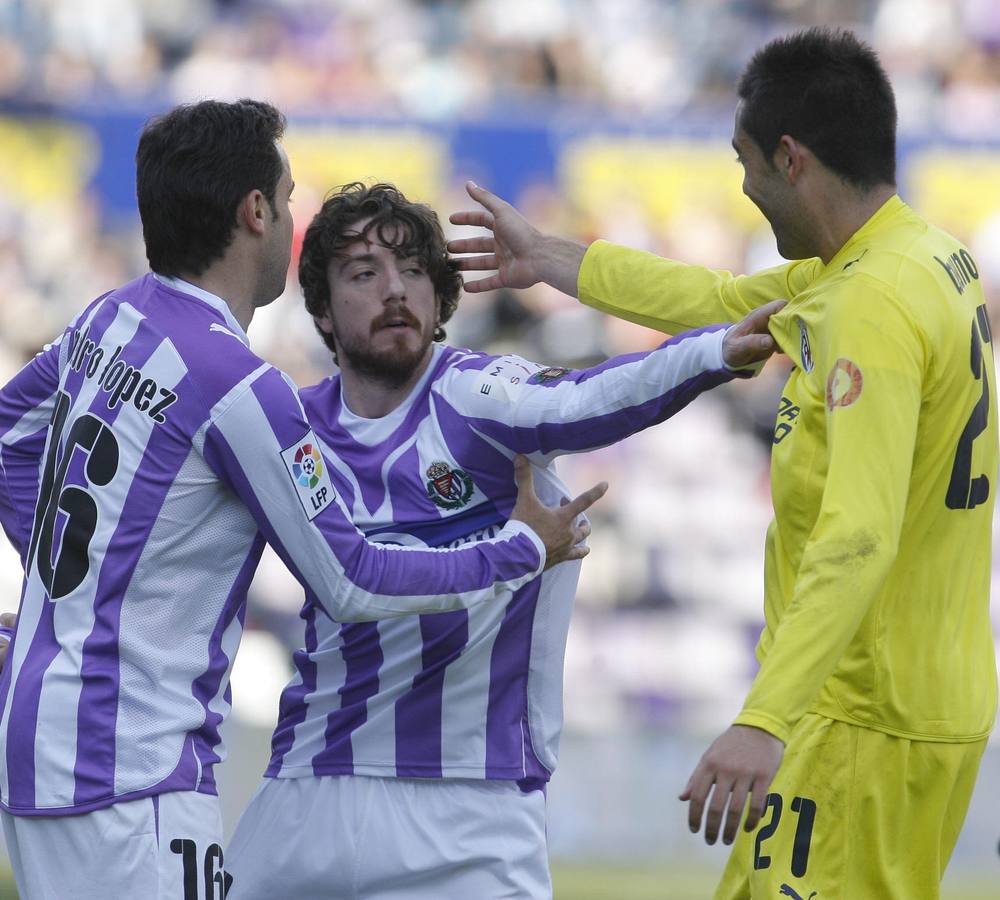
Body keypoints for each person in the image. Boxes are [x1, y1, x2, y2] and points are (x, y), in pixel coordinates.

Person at [0, 100, 603, 900]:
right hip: (130, 768)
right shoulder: (240, 385)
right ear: (256, 213)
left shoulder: (108, 320)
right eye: (287, 199)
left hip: (40, 735)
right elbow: (350, 581)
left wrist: (64, 595)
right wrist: (519, 551)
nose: (291, 217)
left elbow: (9, 439)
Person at [448, 27, 997, 900]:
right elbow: (712, 301)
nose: (742, 187)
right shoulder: (919, 258)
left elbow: (859, 535)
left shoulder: (868, 305)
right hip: (918, 699)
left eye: (745, 162)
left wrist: (764, 719)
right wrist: (550, 257)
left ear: (791, 158)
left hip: (862, 708)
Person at [224, 182, 783, 899]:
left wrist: (712, 353)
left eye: (414, 269)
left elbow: (593, 397)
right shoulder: (289, 429)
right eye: (364, 273)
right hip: (310, 795)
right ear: (324, 311)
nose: (396, 289)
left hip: (473, 813)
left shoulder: (478, 395)